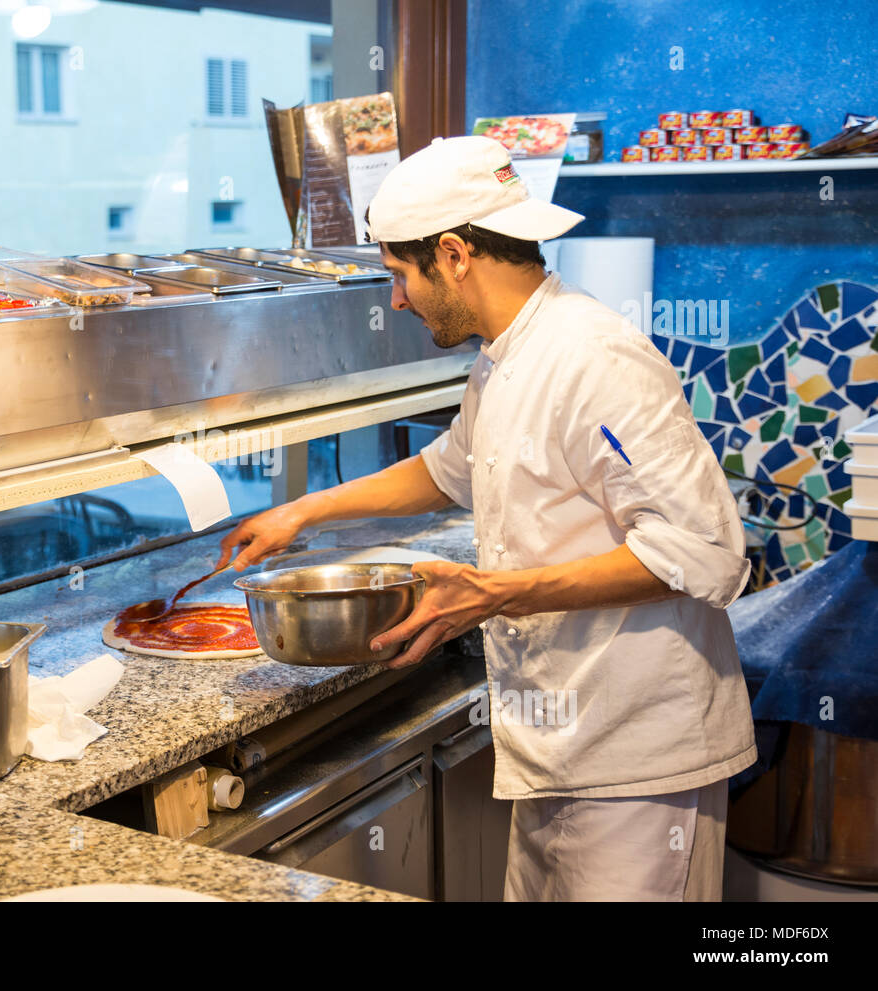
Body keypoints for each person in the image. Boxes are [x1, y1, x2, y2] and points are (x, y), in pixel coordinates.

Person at [216, 135, 757, 901]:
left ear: (455, 254)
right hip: (553, 741)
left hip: (637, 758)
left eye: (400, 273)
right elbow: (447, 469)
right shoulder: (503, 356)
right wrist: (304, 510)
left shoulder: (595, 358)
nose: (396, 299)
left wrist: (497, 592)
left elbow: (706, 553)